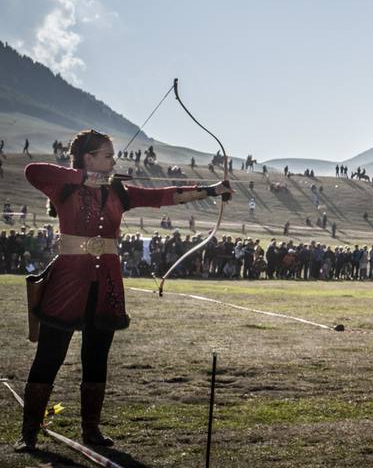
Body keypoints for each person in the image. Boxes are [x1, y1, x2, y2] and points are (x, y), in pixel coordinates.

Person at [15, 130, 233, 451]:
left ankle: (91, 431)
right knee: (49, 356)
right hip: (68, 282)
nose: (113, 161)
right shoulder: (64, 186)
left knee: (96, 356)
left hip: (107, 285)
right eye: (106, 155)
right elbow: (33, 171)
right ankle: (29, 433)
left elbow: (161, 196)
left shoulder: (117, 191)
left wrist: (211, 191)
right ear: (88, 157)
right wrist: (84, 178)